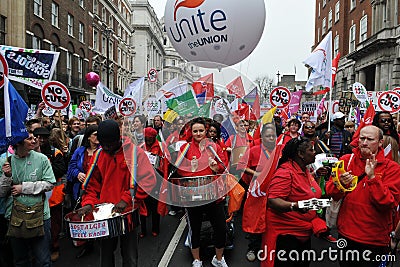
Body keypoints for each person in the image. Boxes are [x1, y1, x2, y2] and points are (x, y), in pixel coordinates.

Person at [77, 120, 156, 267]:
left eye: (110, 144)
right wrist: (88, 204)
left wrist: (126, 199)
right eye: (104, 144)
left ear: (118, 138)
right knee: (105, 257)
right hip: (105, 215)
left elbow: (148, 181)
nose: (107, 147)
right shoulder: (99, 154)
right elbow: (92, 186)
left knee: (130, 257)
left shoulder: (135, 153)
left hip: (129, 212)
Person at [325, 125, 400, 267]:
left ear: (380, 142)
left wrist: (372, 179)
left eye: (370, 139)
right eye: (362, 138)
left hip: (374, 240)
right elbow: (330, 192)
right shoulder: (346, 160)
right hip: (345, 234)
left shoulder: (392, 168)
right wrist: (340, 184)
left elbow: (388, 203)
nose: (364, 142)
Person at [262, 137, 328, 267]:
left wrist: (315, 175)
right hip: (286, 236)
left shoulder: (305, 169)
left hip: (303, 233)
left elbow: (303, 187)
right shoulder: (285, 172)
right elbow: (273, 201)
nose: (315, 152)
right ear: (300, 154)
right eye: (311, 150)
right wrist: (295, 206)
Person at [177, 117, 228, 267]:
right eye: (195, 131)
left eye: (201, 130)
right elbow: (178, 170)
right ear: (191, 132)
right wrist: (189, 168)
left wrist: (215, 168)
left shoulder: (214, 147)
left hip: (213, 195)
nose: (198, 133)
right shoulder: (185, 148)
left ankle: (218, 259)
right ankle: (197, 260)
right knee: (195, 228)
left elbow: (223, 165)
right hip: (192, 196)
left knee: (220, 228)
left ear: (206, 131)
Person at [1, 132, 56, 266]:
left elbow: (50, 183)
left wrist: (23, 188)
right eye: (29, 138)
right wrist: (7, 176)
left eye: (33, 137)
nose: (34, 140)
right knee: (21, 261)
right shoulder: (5, 161)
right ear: (18, 142)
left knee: (43, 260)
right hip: (14, 216)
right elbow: (2, 192)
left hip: (40, 216)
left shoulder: (42, 159)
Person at [237, 123, 276, 262]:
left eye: (273, 136)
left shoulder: (279, 151)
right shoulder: (253, 150)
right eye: (267, 136)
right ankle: (253, 248)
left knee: (272, 219)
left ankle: (271, 248)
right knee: (256, 219)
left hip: (275, 191)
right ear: (262, 137)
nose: (270, 138)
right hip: (257, 191)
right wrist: (257, 173)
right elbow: (241, 166)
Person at [33, 127, 67, 262]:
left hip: (54, 197)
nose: (41, 140)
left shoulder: (55, 152)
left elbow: (60, 170)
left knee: (54, 225)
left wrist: (44, 165)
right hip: (35, 197)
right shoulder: (28, 153)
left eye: (44, 137)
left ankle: (54, 247)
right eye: (38, 137)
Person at [66, 125, 100, 258]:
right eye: (95, 134)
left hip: (97, 191)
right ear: (89, 136)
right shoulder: (80, 151)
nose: (97, 137)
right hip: (80, 190)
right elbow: (71, 167)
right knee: (82, 217)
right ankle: (86, 244)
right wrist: (78, 174)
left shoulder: (102, 151)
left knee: (95, 216)